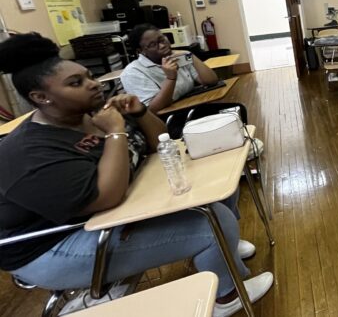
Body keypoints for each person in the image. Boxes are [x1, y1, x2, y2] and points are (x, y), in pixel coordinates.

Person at [0, 33, 272, 317]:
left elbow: (160, 144)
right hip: (52, 248)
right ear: (41, 97)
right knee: (212, 223)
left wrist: (140, 112)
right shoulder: (29, 151)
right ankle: (227, 295)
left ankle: (223, 250)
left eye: (89, 76)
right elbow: (105, 197)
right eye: (76, 83)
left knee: (218, 184)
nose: (93, 84)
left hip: (105, 218)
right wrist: (116, 132)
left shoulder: (90, 114)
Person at [120, 24, 219, 113]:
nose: (162, 46)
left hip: (193, 106)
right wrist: (171, 78)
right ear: (140, 51)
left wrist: (190, 55)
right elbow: (152, 109)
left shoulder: (177, 56)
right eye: (153, 45)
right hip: (170, 118)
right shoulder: (133, 72)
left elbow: (211, 81)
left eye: (162, 39)